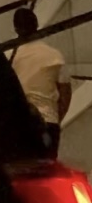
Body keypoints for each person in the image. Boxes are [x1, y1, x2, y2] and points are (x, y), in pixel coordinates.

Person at [11, 8, 71, 154]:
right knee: (47, 167)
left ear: (16, 28)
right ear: (37, 25)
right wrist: (56, 118)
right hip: (48, 121)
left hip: (18, 124)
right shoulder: (55, 56)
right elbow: (65, 94)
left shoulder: (9, 56)